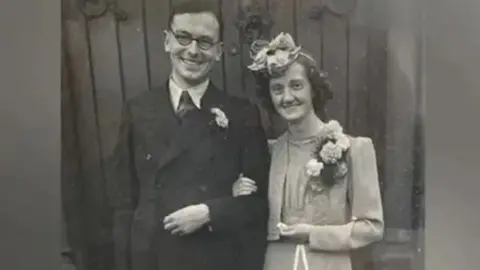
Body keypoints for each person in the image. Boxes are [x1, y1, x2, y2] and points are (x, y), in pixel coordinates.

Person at [105, 1, 270, 270]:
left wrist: (209, 213)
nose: (193, 51)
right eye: (183, 37)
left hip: (216, 257)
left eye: (205, 42)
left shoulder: (241, 114)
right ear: (167, 41)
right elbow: (123, 204)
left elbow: (258, 204)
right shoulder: (137, 110)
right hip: (153, 257)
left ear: (218, 52)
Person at [234, 33, 384, 270]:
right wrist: (239, 194)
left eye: (296, 86)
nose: (287, 97)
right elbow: (253, 217)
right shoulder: (270, 152)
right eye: (277, 89)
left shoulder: (355, 149)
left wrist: (313, 234)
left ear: (313, 89)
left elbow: (372, 227)